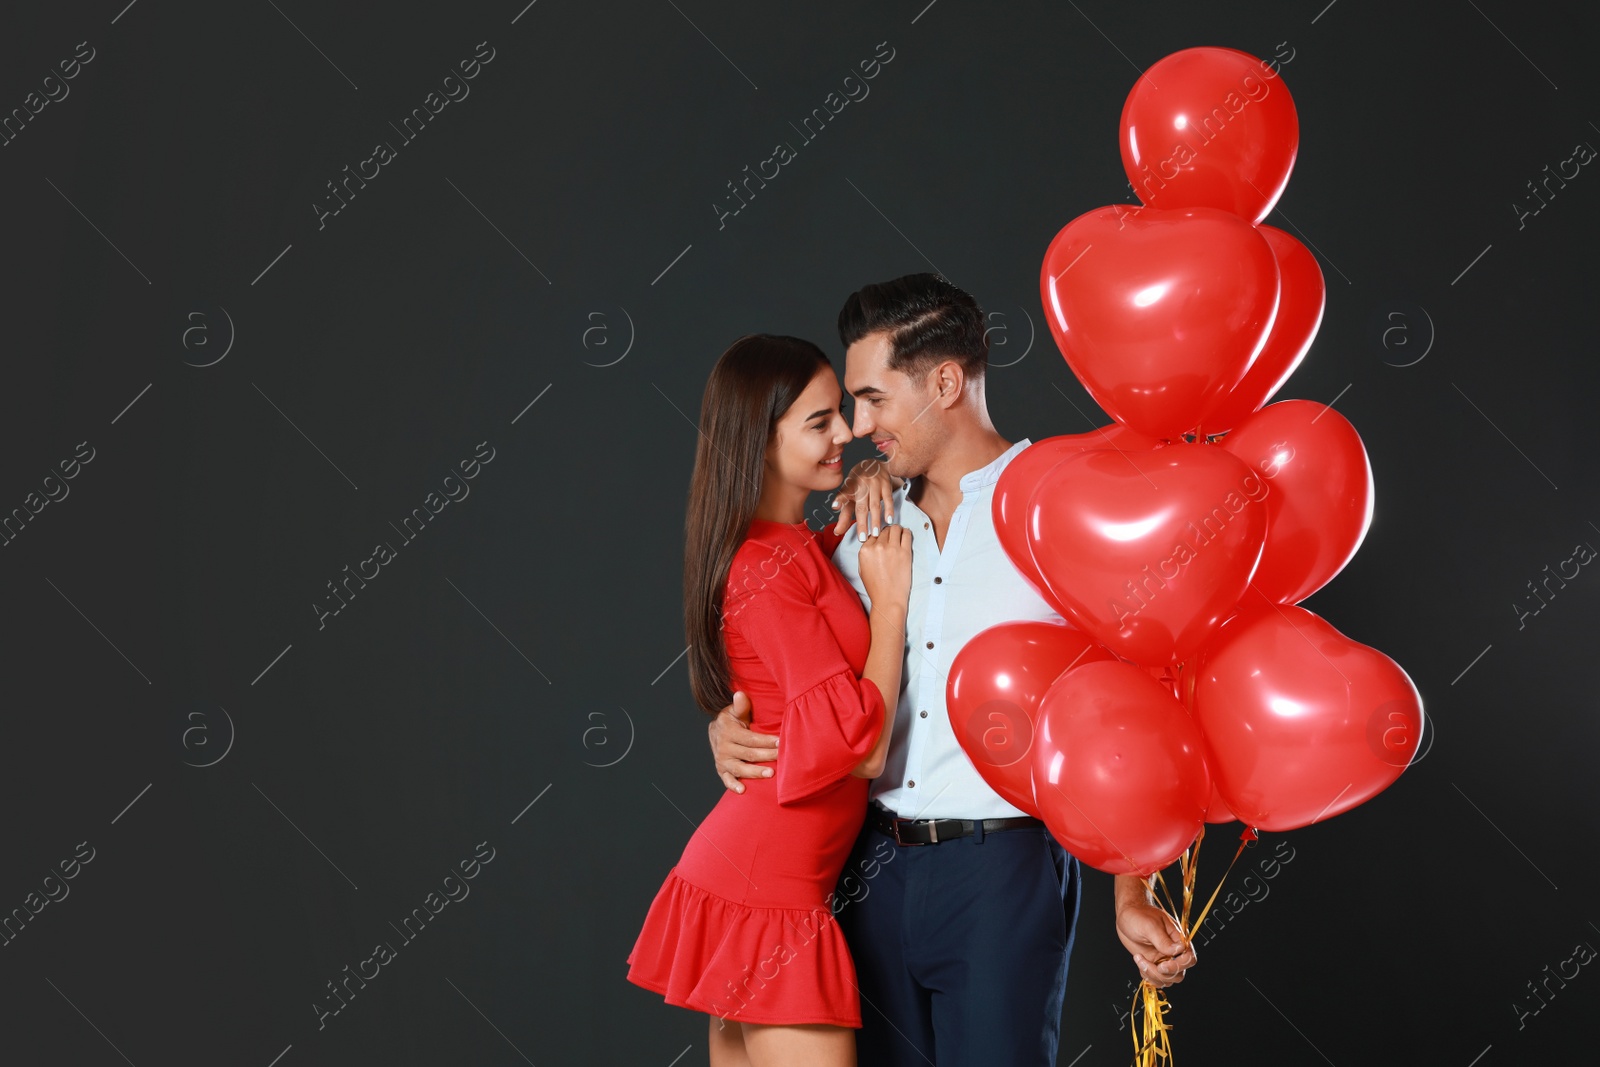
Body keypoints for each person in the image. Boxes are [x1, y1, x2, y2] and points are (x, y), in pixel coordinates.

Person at [708, 275, 1199, 1066]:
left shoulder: (1060, 509)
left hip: (1003, 870)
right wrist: (730, 730)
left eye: (872, 399)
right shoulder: (860, 521)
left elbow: (1134, 706)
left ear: (944, 383)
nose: (858, 427)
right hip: (865, 870)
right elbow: (804, 681)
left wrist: (1133, 888)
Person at [625, 333, 912, 1067]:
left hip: (753, 879)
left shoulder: (785, 547)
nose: (846, 429)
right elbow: (864, 749)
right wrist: (891, 609)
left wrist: (861, 483)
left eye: (838, 415)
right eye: (820, 421)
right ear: (761, 437)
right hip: (770, 895)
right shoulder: (762, 563)